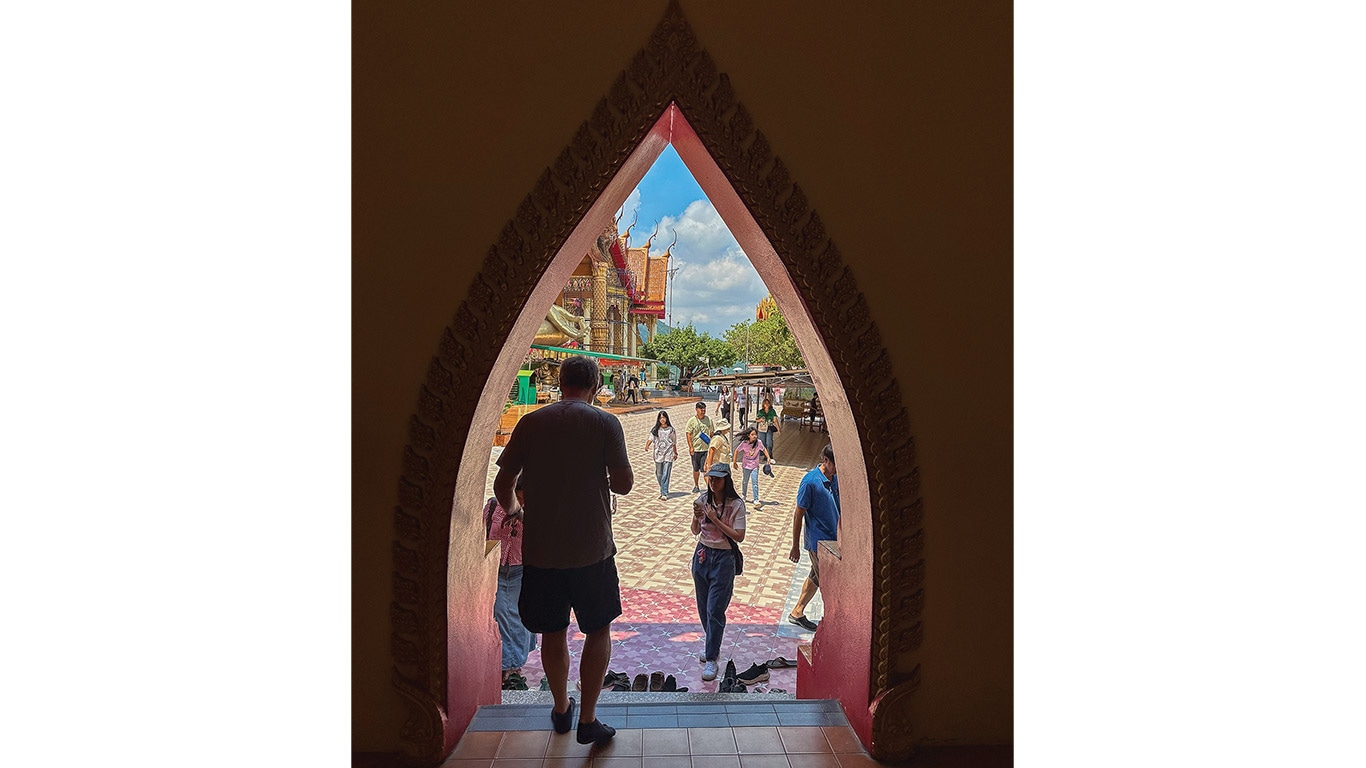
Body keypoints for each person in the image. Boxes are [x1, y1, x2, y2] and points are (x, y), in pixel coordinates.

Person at [493, 355, 633, 746]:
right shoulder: (605, 423)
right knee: (597, 628)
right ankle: (588, 719)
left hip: (541, 551)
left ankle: (560, 709)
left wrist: (517, 510)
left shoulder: (531, 422)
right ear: (596, 384)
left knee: (553, 632)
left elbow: (503, 484)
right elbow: (624, 485)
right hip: (593, 549)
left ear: (560, 380)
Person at [691, 462, 747, 682]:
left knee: (715, 609)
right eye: (710, 479)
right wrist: (697, 516)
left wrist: (715, 519)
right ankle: (711, 645)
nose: (713, 483)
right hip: (703, 555)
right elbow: (695, 531)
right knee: (704, 608)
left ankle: (712, 656)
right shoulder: (702, 501)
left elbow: (739, 535)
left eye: (718, 479)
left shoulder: (736, 505)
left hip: (724, 559)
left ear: (726, 480)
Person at [484, 475, 535, 689]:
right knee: (502, 613)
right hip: (495, 568)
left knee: (517, 614)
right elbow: (480, 533)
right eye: (518, 498)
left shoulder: (538, 511)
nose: (521, 503)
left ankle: (512, 666)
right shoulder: (494, 506)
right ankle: (509, 664)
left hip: (521, 569)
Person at [787, 444, 840, 632]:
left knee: (816, 577)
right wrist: (795, 546)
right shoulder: (810, 482)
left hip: (834, 540)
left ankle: (797, 612)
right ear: (825, 461)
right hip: (818, 542)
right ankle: (832, 625)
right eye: (835, 464)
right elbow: (798, 514)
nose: (837, 468)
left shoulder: (835, 479)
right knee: (828, 584)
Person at [732, 427, 773, 507]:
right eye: (752, 434)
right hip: (746, 466)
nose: (755, 436)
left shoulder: (759, 442)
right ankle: (743, 496)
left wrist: (768, 457)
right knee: (745, 481)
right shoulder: (745, 443)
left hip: (755, 466)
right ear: (748, 435)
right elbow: (737, 451)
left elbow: (764, 449)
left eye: (755, 434)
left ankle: (756, 499)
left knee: (755, 482)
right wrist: (734, 462)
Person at [644, 410, 678, 500]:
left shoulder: (671, 430)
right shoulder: (655, 430)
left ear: (667, 418)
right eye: (660, 418)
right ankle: (663, 488)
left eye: (664, 417)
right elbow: (650, 438)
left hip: (669, 453)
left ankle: (664, 493)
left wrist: (675, 452)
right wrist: (647, 445)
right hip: (658, 454)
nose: (662, 419)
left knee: (666, 474)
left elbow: (674, 442)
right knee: (659, 473)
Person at [684, 401, 715, 493]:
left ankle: (709, 487)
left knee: (705, 469)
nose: (703, 410)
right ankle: (696, 485)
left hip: (706, 449)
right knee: (696, 469)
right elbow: (688, 434)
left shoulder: (709, 420)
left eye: (704, 409)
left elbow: (712, 433)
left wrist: (713, 445)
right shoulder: (691, 421)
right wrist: (690, 447)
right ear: (696, 410)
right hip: (696, 449)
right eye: (701, 409)